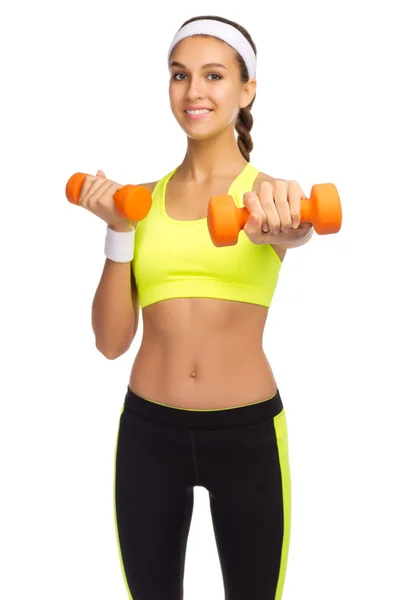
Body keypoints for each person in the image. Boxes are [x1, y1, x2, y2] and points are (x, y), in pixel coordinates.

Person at [80, 14, 314, 600]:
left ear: (246, 90)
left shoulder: (269, 198)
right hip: (148, 431)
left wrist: (285, 229)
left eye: (214, 75)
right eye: (180, 75)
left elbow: (293, 232)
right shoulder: (143, 204)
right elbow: (110, 343)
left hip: (248, 431)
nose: (194, 92)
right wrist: (117, 233)